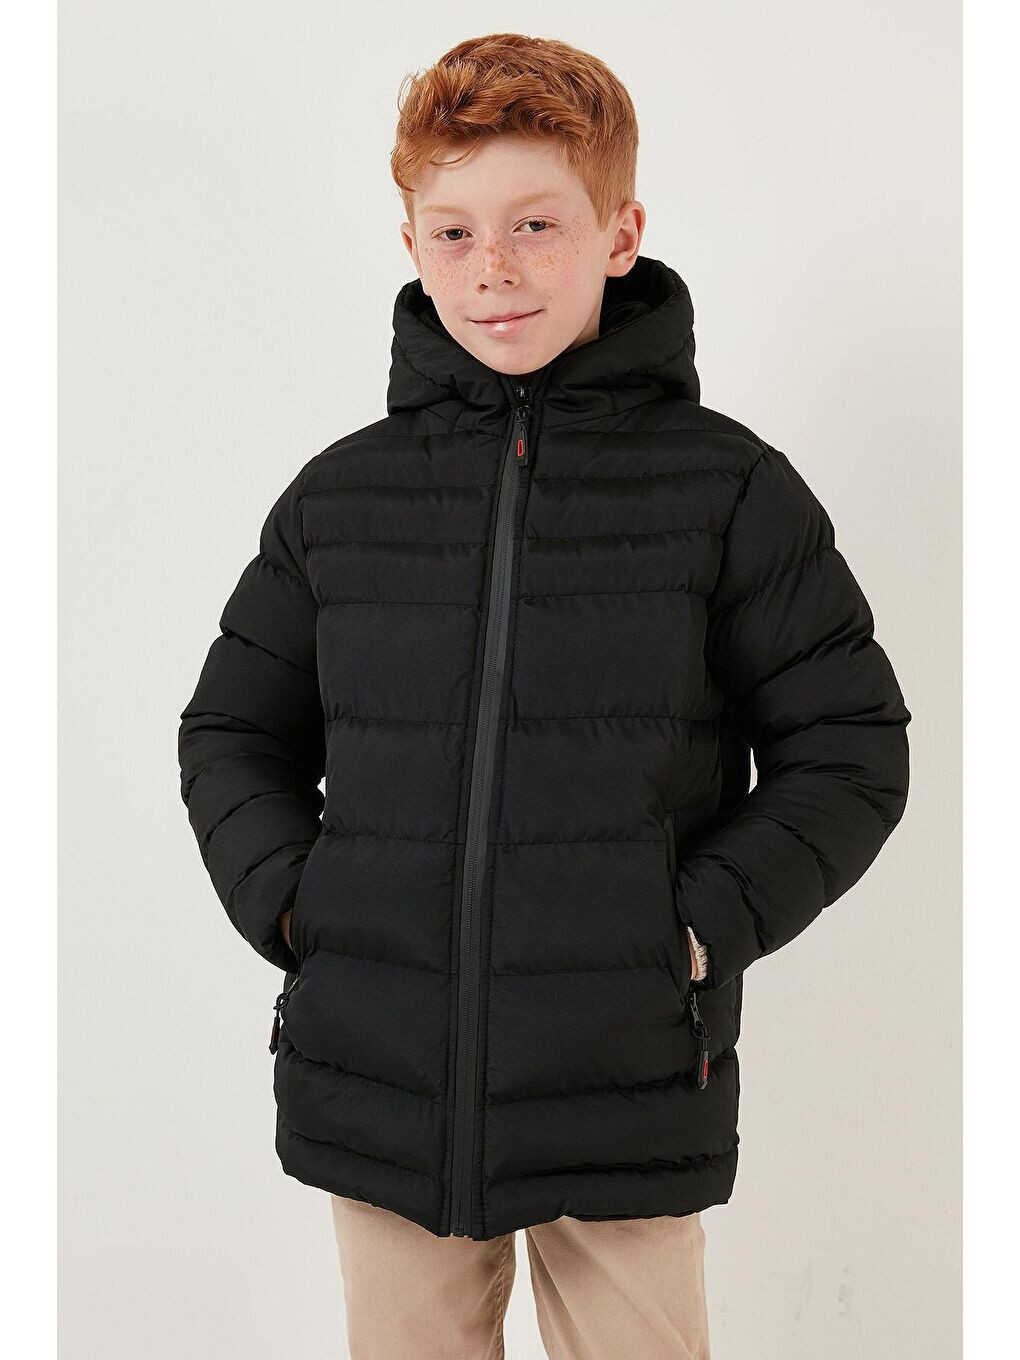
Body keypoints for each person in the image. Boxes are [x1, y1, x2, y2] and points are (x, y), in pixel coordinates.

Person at [177, 32, 911, 1359]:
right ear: (410, 242)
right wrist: (296, 903)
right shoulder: (342, 501)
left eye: (534, 224)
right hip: (384, 1076)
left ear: (619, 233)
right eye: (453, 231)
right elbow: (233, 729)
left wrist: (693, 929)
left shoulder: (726, 490)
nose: (494, 267)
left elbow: (849, 745)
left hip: (625, 1074)